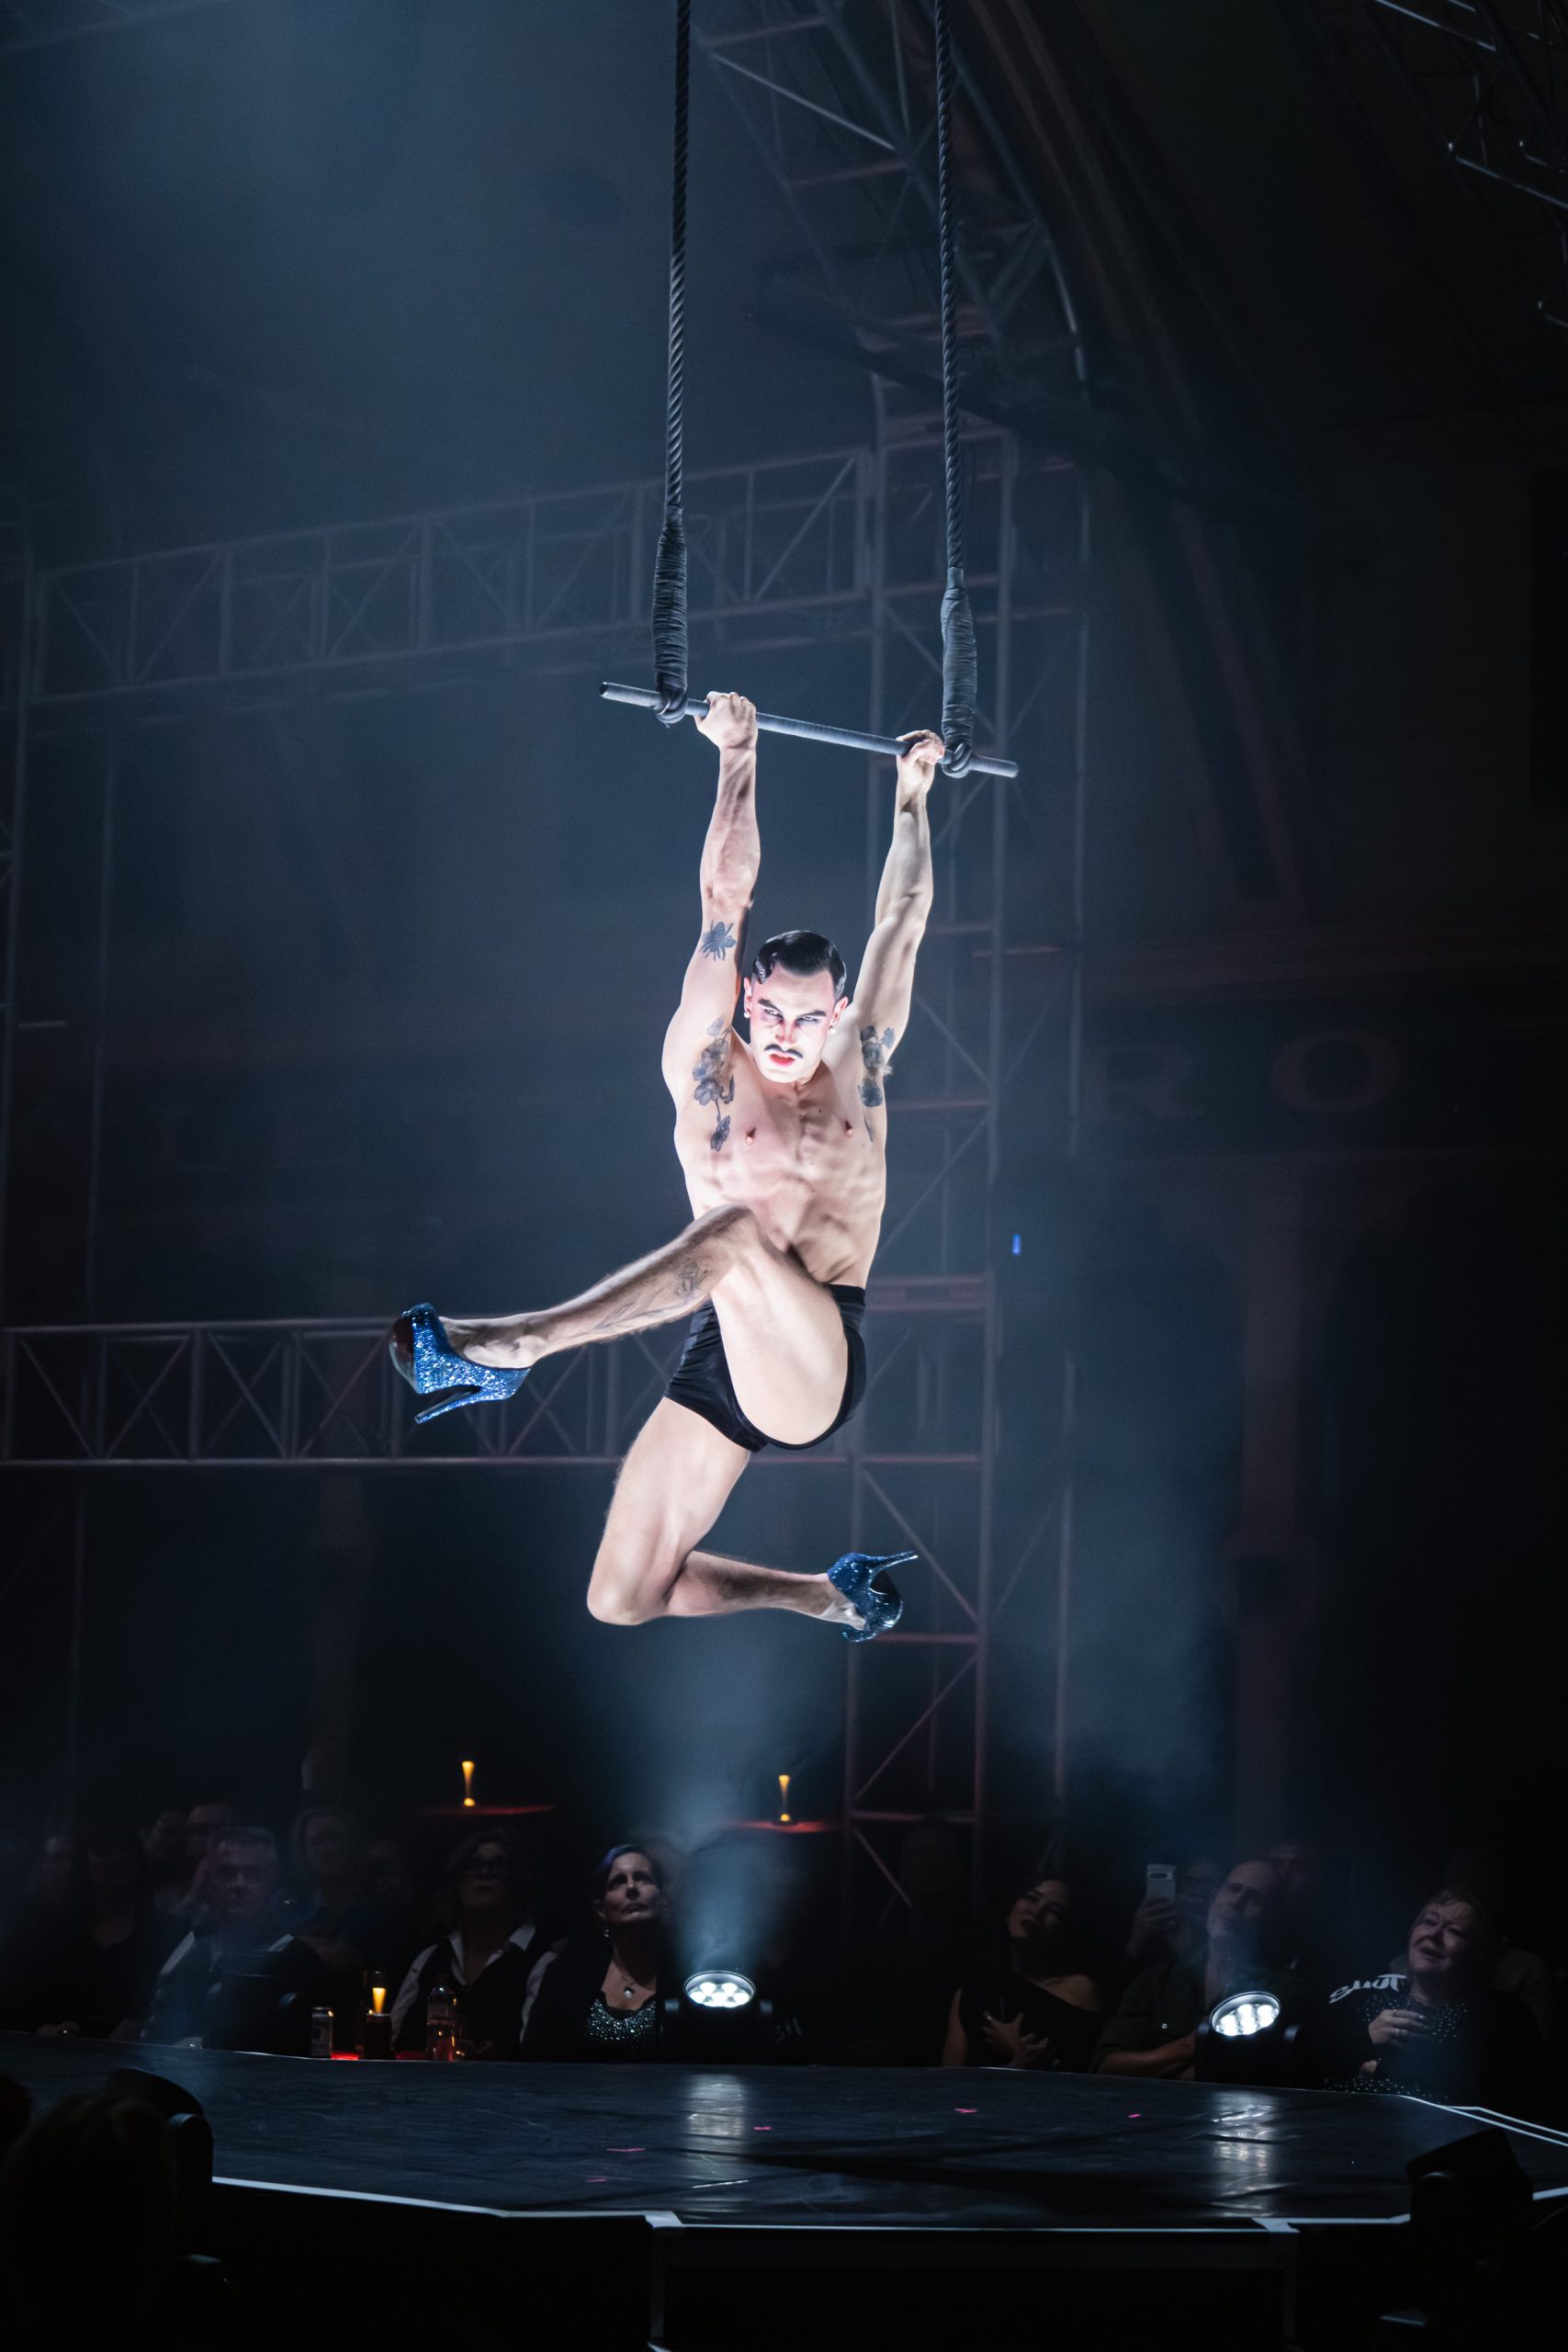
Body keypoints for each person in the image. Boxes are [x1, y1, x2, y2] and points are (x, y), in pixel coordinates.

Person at [392, 697, 953, 1639]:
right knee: (621, 1598)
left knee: (733, 1233)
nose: (787, 1035)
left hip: (818, 1357)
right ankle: (833, 1595)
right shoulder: (708, 1068)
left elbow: (903, 919)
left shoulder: (862, 1068)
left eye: (809, 1019)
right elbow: (722, 904)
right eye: (769, 1014)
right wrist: (739, 753)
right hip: (723, 1344)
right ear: (745, 1001)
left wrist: (913, 793)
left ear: (838, 1013)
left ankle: (519, 1346)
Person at [1311, 1888, 1551, 2117]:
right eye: (1429, 1922)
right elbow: (1306, 2065)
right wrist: (1364, 2040)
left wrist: (1407, 2072)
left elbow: (1523, 2103)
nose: (1434, 1935)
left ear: (1479, 1953)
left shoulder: (1502, 2016)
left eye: (1455, 1931)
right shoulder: (1365, 1995)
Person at [1091, 1860, 1302, 2080]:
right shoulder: (1157, 1980)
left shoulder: (1279, 1991)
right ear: (1216, 1897)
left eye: (1255, 1899)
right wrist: (1189, 2047)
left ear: (1270, 1918)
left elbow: (1233, 2076)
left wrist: (1157, 2065)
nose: (1237, 1902)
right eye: (1233, 1889)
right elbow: (1105, 2067)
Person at [390, 1834, 558, 2058]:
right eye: (474, 1864)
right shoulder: (430, 1958)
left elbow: (535, 2054)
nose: (484, 1873)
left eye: (499, 1866)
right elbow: (391, 2040)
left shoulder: (539, 1962)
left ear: (517, 1882)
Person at [22, 1818, 180, 2041]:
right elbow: (23, 1997)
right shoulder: (52, 1931)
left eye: (124, 1849)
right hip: (58, 2052)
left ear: (138, 1856)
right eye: (103, 1851)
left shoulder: (168, 1931)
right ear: (84, 1861)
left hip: (137, 2052)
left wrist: (138, 2026)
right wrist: (41, 2029)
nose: (116, 1859)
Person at [142, 1826, 292, 2046]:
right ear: (209, 1882)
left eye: (253, 1874)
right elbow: (155, 2029)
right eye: (226, 1873)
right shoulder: (190, 1944)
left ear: (274, 1884)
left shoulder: (288, 1954)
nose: (239, 1884)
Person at [522, 1845, 672, 2062]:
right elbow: (535, 2059)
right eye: (618, 1882)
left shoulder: (687, 1977)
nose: (631, 1888)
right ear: (601, 1909)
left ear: (663, 1898)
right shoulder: (566, 1976)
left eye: (642, 1879)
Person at [943, 1872, 1105, 2071]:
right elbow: (951, 2080)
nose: (1036, 1911)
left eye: (1053, 1910)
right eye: (1032, 1898)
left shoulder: (1080, 1991)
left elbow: (1083, 2075)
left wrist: (1016, 2050)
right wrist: (1016, 2064)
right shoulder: (972, 1992)